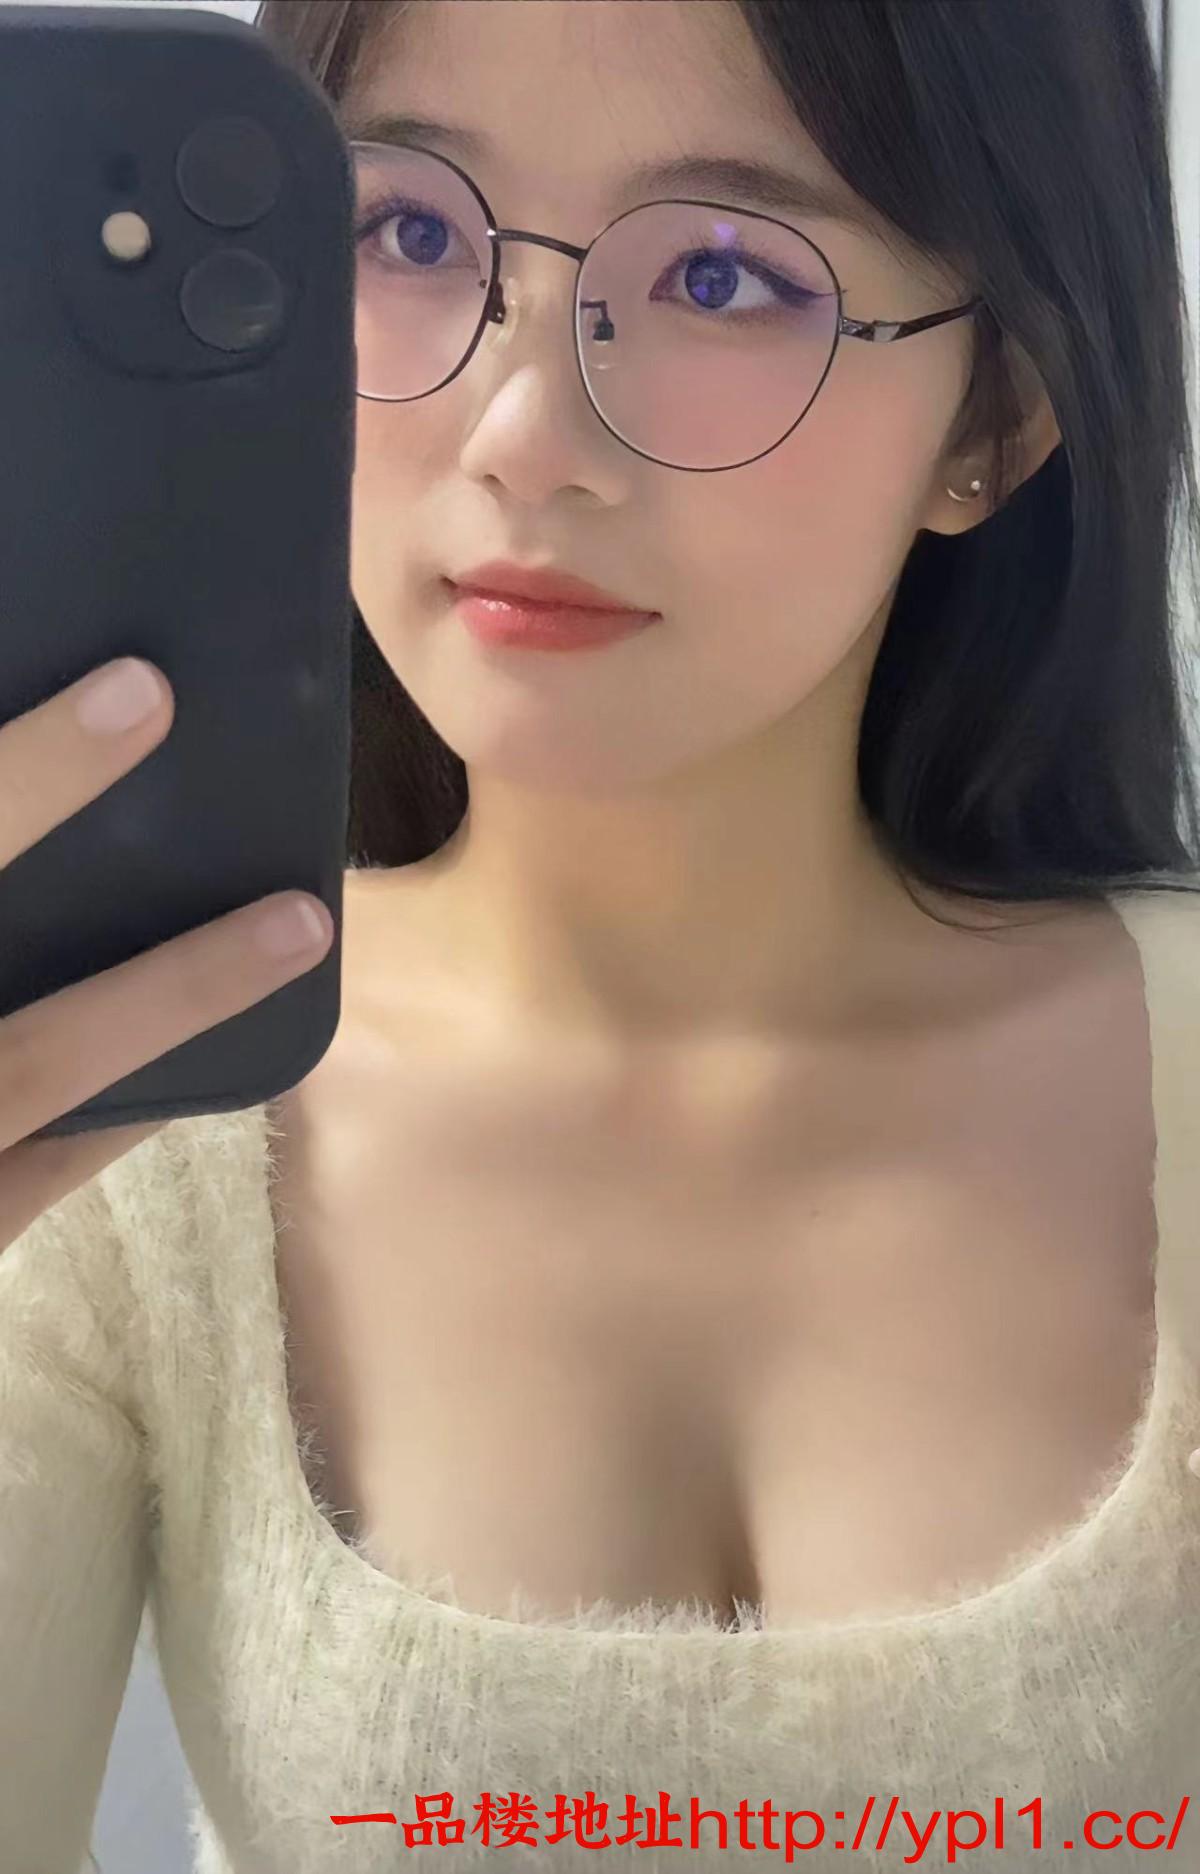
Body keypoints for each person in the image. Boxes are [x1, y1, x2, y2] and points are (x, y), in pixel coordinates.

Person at [2, 2, 1199, 1869]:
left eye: (723, 273)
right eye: (407, 229)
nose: (522, 436)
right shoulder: (120, 1115)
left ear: (996, 414)